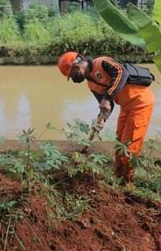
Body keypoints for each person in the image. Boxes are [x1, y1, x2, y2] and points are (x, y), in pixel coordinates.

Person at [57, 52, 155, 182]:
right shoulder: (91, 84)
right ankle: (117, 177)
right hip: (125, 107)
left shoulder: (102, 62)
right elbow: (107, 106)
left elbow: (121, 73)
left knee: (129, 147)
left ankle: (128, 182)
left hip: (140, 103)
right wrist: (101, 119)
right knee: (120, 143)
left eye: (72, 75)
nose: (74, 80)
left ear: (76, 66)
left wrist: (107, 97)